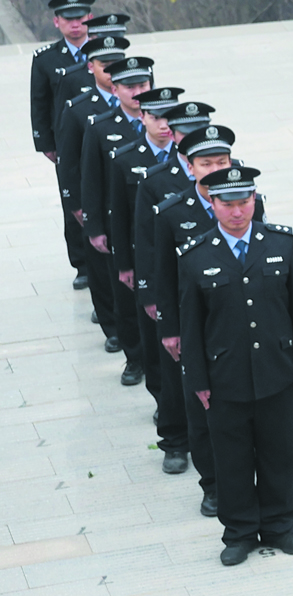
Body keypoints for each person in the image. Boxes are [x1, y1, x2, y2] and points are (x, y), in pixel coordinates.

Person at [177, 165, 293, 567]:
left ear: (255, 201)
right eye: (228, 204)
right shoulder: (195, 255)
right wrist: (198, 381)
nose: (238, 212)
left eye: (245, 202)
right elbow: (190, 324)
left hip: (278, 371)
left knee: (279, 452)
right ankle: (238, 532)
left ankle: (279, 526)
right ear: (212, 203)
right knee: (232, 458)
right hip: (225, 378)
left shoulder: (281, 244)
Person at [148, 118, 240, 518]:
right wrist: (169, 330)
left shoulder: (244, 202)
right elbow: (163, 277)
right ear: (188, 166)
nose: (215, 169)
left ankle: (243, 480)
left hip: (235, 324)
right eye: (206, 163)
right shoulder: (172, 212)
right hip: (192, 327)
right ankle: (214, 486)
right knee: (201, 408)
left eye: (222, 160)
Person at [106, 85, 186, 394]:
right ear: (143, 118)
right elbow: (123, 220)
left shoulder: (195, 164)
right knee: (155, 336)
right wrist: (125, 264)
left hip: (185, 261)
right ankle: (162, 396)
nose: (165, 126)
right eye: (157, 118)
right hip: (149, 261)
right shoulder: (126, 159)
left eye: (171, 119)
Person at [57, 35, 134, 350]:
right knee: (103, 273)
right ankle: (113, 328)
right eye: (106, 66)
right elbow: (70, 162)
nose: (113, 72)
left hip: (132, 202)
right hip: (98, 202)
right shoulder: (79, 109)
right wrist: (77, 204)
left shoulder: (142, 106)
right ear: (91, 68)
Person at [81, 54, 157, 365]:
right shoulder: (101, 128)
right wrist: (95, 228)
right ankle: (135, 358)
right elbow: (92, 182)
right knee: (126, 297)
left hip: (160, 225)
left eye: (143, 84)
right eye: (130, 87)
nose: (138, 92)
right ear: (115, 90)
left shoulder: (167, 127)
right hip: (122, 227)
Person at [30, 0, 94, 292]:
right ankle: (82, 264)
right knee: (74, 203)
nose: (75, 24)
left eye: (80, 18)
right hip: (69, 145)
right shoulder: (46, 59)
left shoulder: (107, 53)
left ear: (90, 18)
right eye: (68, 20)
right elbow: (39, 102)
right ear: (57, 22)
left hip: (106, 140)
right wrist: (45, 143)